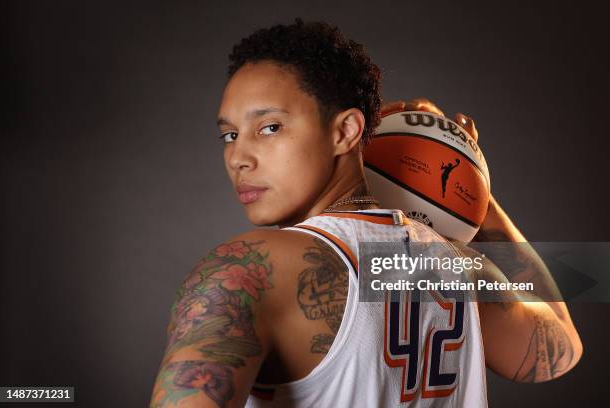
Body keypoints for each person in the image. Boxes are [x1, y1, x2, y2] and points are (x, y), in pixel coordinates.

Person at [150, 18, 583, 408]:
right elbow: (561, 347)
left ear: (345, 131)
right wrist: (478, 199)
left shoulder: (247, 270)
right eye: (230, 135)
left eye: (269, 127)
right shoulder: (459, 265)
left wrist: (472, 186)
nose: (238, 157)